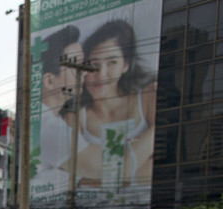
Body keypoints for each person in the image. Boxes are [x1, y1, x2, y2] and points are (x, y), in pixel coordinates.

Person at [74, 20, 156, 188]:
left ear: (125, 65)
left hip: (149, 207)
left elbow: (151, 169)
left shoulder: (148, 96)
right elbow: (73, 180)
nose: (101, 74)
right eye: (93, 65)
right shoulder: (77, 116)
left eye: (112, 62)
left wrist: (93, 178)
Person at [37, 25, 86, 173]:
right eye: (75, 65)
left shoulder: (47, 119)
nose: (84, 73)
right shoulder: (49, 127)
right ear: (49, 81)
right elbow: (104, 167)